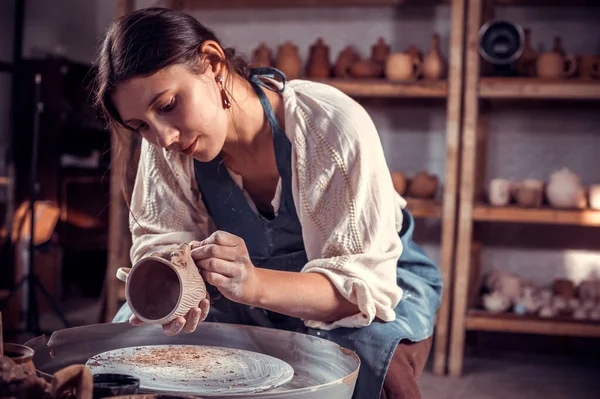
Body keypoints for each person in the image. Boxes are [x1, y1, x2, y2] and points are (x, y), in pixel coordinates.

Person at [94, 7, 442, 399]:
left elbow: (358, 290)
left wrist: (254, 283)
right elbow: (163, 246)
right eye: (140, 126)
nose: (164, 137)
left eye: (169, 104)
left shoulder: (328, 125)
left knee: (364, 364)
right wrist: (173, 295)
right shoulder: (165, 148)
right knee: (130, 343)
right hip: (240, 289)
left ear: (212, 63)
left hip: (365, 283)